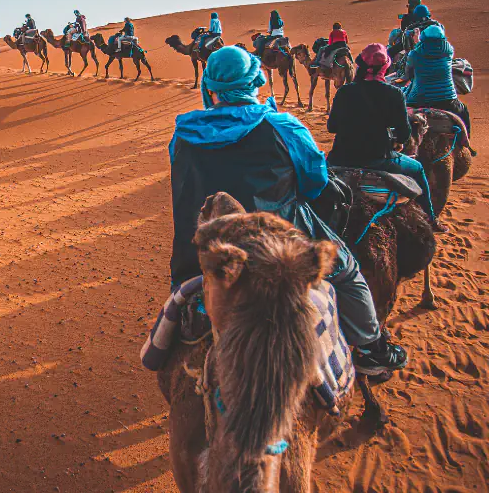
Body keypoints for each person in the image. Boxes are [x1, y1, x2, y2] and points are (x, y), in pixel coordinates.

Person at [169, 45, 407, 375]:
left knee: (185, 293)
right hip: (280, 247)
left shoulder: (183, 135)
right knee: (349, 273)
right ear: (257, 81)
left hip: (201, 249)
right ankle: (371, 350)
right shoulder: (284, 128)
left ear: (209, 87)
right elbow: (315, 184)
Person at [326, 43, 443, 230]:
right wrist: (392, 139)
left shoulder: (344, 92)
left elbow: (331, 127)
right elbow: (404, 134)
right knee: (418, 169)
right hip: (379, 160)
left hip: (340, 158)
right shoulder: (394, 94)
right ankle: (430, 219)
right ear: (385, 67)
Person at [404, 24, 471, 135]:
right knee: (464, 111)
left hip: (419, 99)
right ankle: (466, 141)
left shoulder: (414, 54)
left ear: (423, 37)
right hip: (447, 99)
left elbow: (408, 75)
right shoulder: (449, 51)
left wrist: (416, 40)